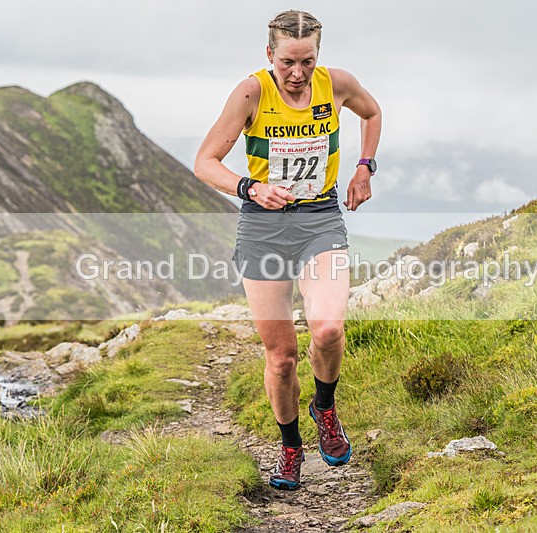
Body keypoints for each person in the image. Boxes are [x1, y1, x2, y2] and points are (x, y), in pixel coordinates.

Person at [194, 9, 381, 490]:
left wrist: (364, 167)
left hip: (320, 219)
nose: (297, 74)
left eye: (307, 61)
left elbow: (372, 113)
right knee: (280, 357)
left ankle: (325, 406)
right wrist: (248, 188)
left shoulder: (336, 84)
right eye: (287, 63)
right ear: (269, 55)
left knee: (329, 330)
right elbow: (204, 162)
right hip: (262, 229)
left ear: (319, 54)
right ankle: (290, 447)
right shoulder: (251, 92)